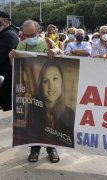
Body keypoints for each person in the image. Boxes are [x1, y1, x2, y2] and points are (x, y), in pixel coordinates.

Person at [8, 19, 61, 163]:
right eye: (26, 35)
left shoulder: (48, 42)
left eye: (33, 34)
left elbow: (61, 53)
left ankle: (51, 148)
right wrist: (11, 57)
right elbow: (16, 65)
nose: (30, 37)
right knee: (34, 120)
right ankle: (34, 149)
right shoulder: (22, 44)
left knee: (51, 121)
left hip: (49, 90)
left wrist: (55, 51)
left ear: (39, 32)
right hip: (31, 90)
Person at [26, 60, 75, 158]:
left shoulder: (70, 113)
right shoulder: (34, 105)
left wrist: (57, 51)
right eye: (45, 81)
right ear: (41, 85)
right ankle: (35, 149)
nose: (50, 86)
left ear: (62, 82)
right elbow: (31, 132)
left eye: (55, 79)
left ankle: (51, 148)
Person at [0, 10, 19, 111]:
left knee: (7, 107)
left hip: (5, 79)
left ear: (6, 21)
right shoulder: (5, 33)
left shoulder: (9, 35)